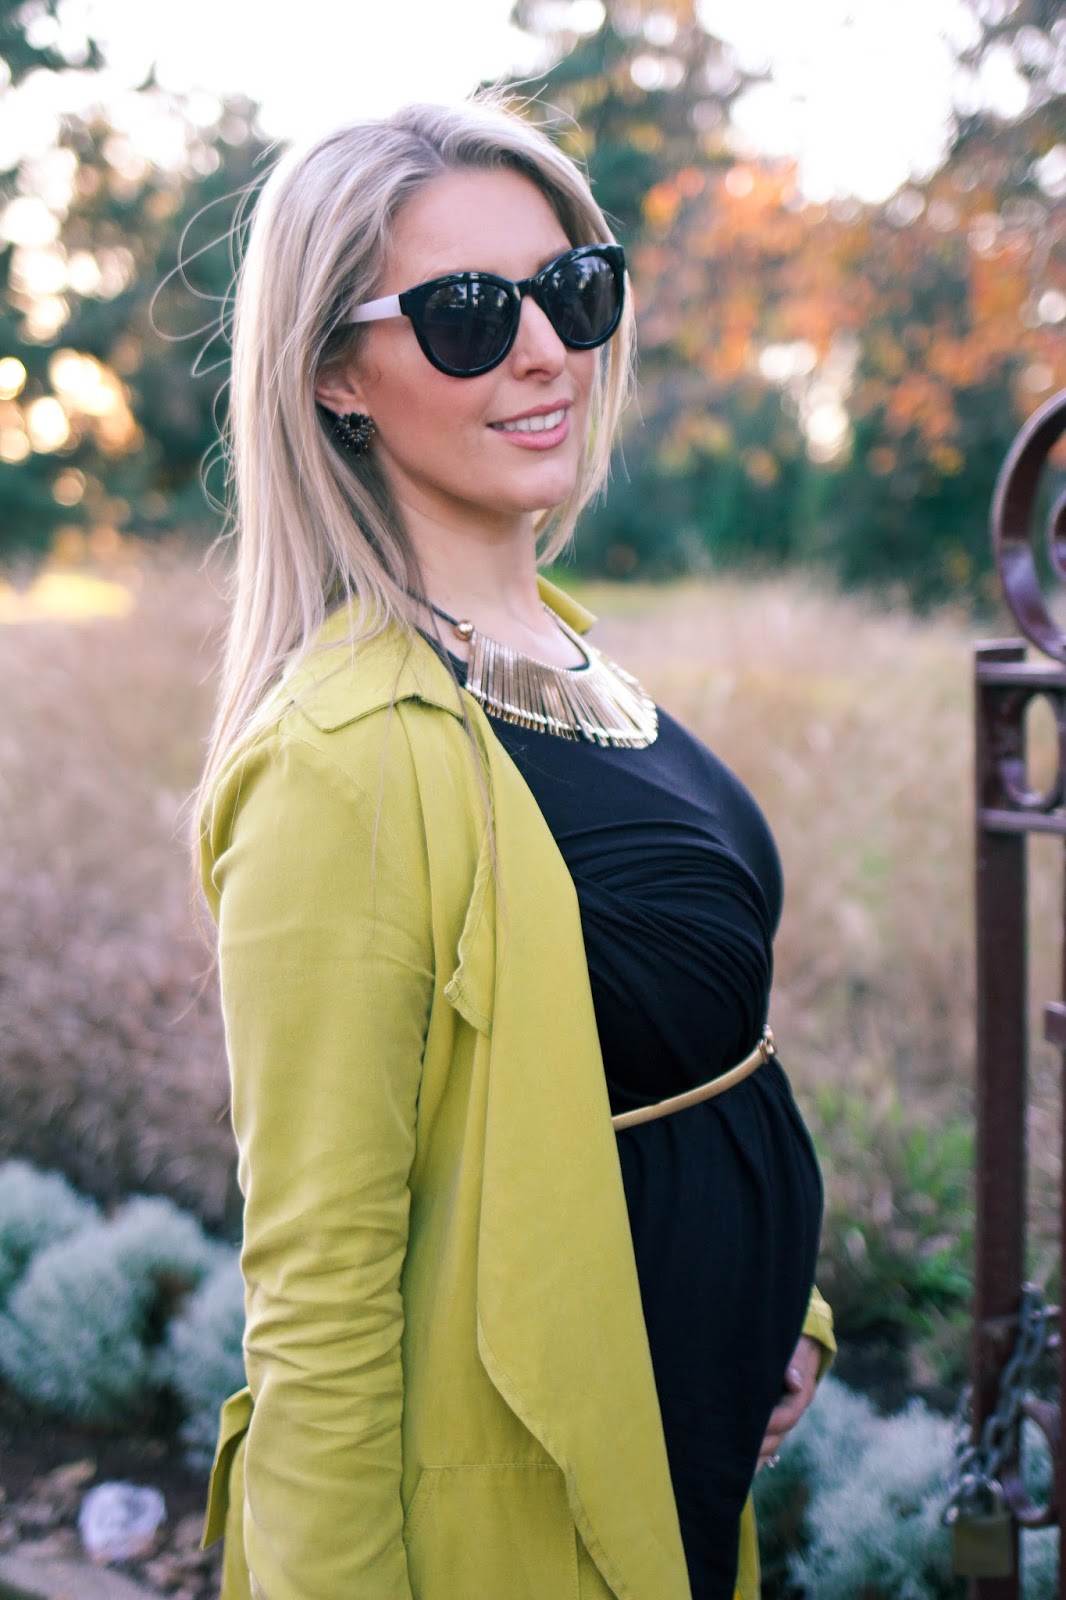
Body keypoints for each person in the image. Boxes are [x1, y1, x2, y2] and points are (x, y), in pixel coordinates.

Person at [194, 94, 834, 1600]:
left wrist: (775, 1307)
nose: (545, 347)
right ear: (335, 374)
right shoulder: (337, 766)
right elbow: (319, 1293)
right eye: (469, 314)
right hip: (516, 1519)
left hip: (682, 1431)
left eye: (572, 288)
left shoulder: (566, 656)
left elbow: (672, 1049)